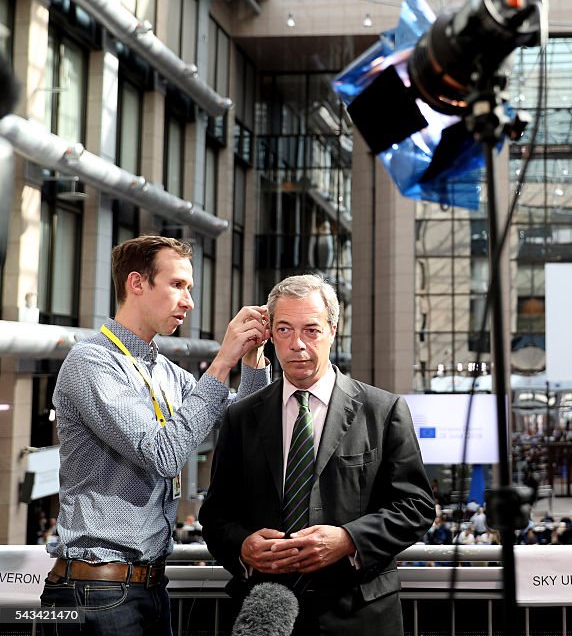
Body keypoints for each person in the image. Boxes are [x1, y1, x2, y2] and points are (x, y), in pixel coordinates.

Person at [40, 235, 271, 636]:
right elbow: (162, 453)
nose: (189, 301)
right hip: (95, 591)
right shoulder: (91, 361)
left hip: (146, 588)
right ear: (136, 284)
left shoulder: (165, 371)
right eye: (178, 285)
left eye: (190, 288)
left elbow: (241, 422)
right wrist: (222, 361)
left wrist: (251, 362)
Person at [199, 274, 434, 636]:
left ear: (333, 331)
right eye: (284, 330)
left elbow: (415, 507)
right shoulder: (241, 416)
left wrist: (349, 540)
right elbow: (216, 516)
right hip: (267, 616)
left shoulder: (382, 410)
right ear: (270, 335)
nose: (297, 345)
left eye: (311, 330)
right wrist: (243, 548)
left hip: (360, 614)